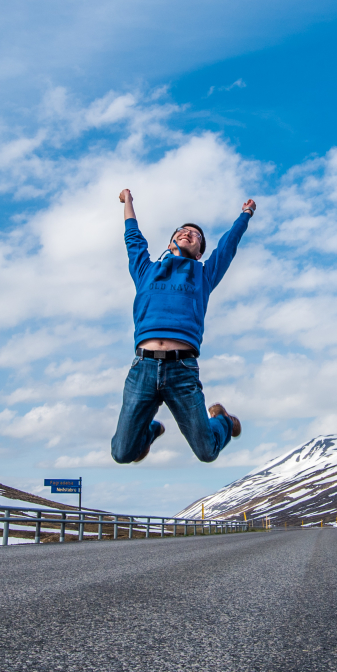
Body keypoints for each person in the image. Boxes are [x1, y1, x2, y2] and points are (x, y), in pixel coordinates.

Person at [110, 187, 254, 464]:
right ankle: (149, 430)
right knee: (122, 453)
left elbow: (227, 247)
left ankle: (222, 421)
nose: (188, 233)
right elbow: (132, 236)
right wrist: (128, 201)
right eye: (182, 231)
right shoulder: (145, 269)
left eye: (196, 235)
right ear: (172, 240)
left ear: (200, 252)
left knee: (207, 451)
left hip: (182, 370)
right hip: (143, 368)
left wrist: (244, 215)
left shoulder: (204, 274)